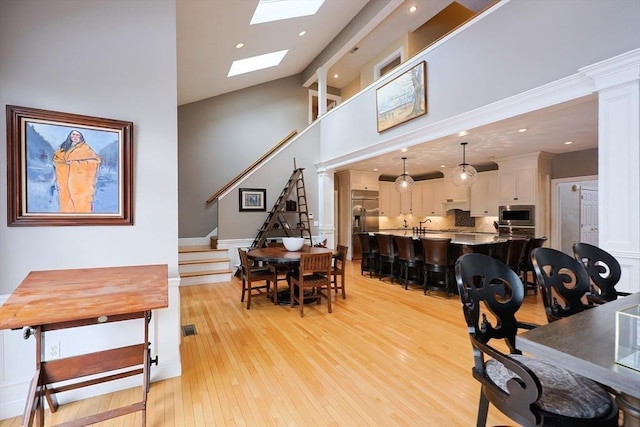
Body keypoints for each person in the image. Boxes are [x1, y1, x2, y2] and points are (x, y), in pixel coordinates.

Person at [52, 129, 101, 212]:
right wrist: (64, 163)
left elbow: (95, 161)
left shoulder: (85, 149)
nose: (75, 137)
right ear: (70, 136)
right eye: (73, 134)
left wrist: (75, 163)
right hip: (64, 181)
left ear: (81, 137)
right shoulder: (63, 148)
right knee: (66, 201)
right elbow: (56, 159)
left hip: (79, 183)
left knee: (80, 202)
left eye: (77, 135)